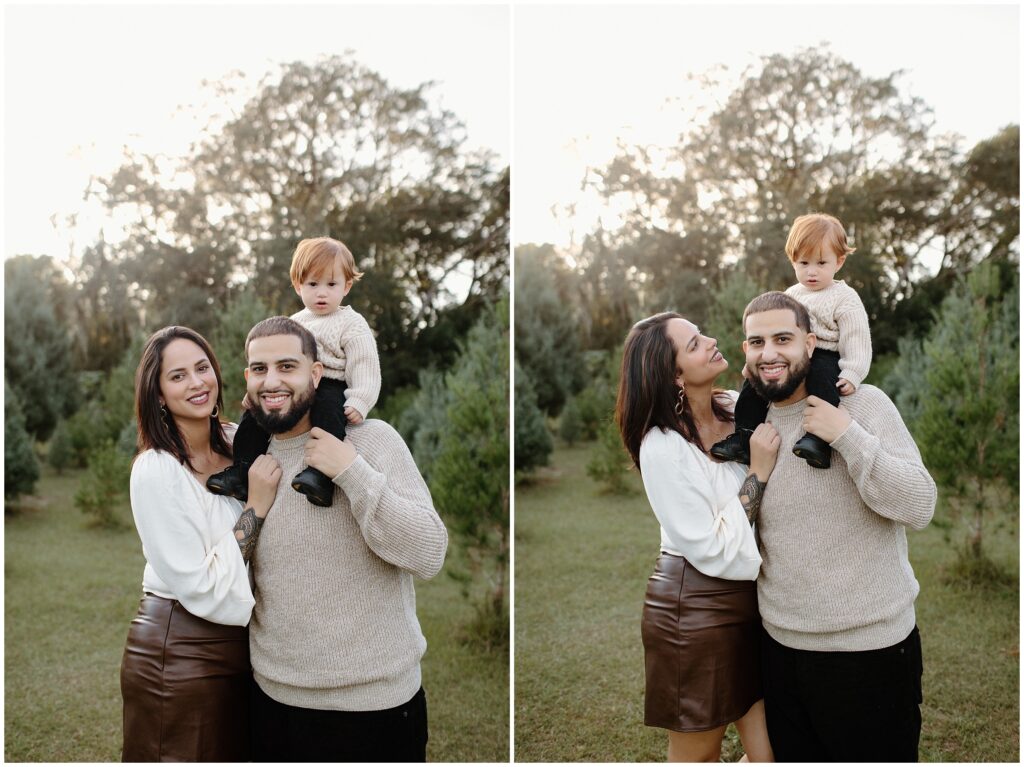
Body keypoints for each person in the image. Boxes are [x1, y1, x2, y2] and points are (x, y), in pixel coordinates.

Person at [239, 315, 448, 762]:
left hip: (375, 706)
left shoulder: (374, 442)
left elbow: (430, 553)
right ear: (247, 378)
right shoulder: (249, 460)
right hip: (273, 702)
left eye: (287, 367)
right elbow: (230, 572)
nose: (271, 381)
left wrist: (351, 471)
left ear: (317, 373)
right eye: (259, 369)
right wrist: (254, 507)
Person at [740, 291, 936, 762]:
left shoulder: (865, 405)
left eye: (783, 339)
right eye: (756, 342)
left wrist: (846, 436)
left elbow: (920, 504)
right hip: (781, 650)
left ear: (811, 343)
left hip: (870, 651)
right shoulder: (749, 424)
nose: (769, 354)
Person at [616, 312, 780, 763]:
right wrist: (757, 473)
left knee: (772, 751)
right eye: (692, 345)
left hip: (758, 603)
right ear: (673, 375)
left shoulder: (735, 406)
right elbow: (709, 545)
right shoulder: (663, 447)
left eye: (701, 333)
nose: (710, 341)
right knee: (698, 756)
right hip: (695, 610)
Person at [120, 326, 282, 762]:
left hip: (248, 650)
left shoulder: (235, 440)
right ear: (156, 394)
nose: (197, 383)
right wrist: (256, 507)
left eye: (202, 368)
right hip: (180, 654)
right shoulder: (156, 470)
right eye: (178, 376)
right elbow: (204, 586)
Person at [208, 236, 381, 506]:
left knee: (328, 414)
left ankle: (320, 477)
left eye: (331, 284)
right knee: (254, 419)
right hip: (292, 385)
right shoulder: (293, 323)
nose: (321, 292)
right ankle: (242, 471)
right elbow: (273, 362)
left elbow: (366, 367)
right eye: (313, 284)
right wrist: (257, 392)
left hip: (330, 384)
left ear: (347, 286)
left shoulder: (352, 323)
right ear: (299, 285)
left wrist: (360, 399)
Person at [712, 213, 871, 469]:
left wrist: (853, 372)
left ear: (839, 261)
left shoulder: (845, 297)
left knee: (822, 382)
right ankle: (744, 438)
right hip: (788, 353)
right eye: (803, 262)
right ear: (793, 260)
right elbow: (769, 332)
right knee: (753, 387)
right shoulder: (790, 295)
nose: (811, 271)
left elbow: (857, 339)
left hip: (824, 353)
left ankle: (818, 441)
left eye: (821, 263)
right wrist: (755, 363)